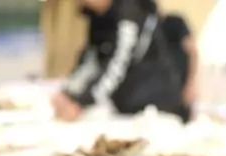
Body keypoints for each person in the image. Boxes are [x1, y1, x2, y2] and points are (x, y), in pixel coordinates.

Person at [52, 0, 184, 122]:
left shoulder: (129, 13)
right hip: (127, 106)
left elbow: (118, 65)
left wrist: (81, 102)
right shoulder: (98, 17)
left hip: (155, 107)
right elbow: (91, 60)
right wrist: (69, 93)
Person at [161, 14, 197, 121]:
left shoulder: (173, 22)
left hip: (180, 92)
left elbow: (193, 51)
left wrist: (191, 84)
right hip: (161, 95)